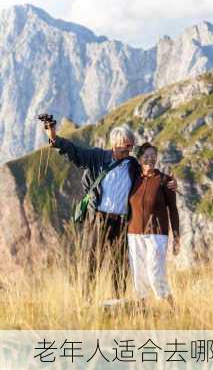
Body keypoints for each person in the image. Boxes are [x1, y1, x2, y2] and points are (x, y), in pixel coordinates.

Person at [43, 120, 177, 298]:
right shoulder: (98, 157)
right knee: (91, 261)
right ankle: (86, 300)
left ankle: (118, 300)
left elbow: (150, 173)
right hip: (99, 218)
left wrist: (169, 181)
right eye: (126, 146)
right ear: (115, 143)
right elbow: (74, 151)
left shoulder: (132, 165)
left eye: (131, 146)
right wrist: (54, 137)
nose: (129, 150)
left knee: (119, 265)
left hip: (122, 221)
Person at [127, 142, 180, 306]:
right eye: (146, 156)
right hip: (134, 233)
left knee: (155, 271)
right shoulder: (133, 179)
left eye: (153, 155)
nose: (150, 159)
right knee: (138, 274)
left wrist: (176, 237)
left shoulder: (165, 180)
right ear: (140, 158)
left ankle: (171, 306)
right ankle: (142, 309)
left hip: (157, 234)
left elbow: (173, 209)